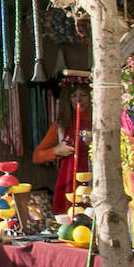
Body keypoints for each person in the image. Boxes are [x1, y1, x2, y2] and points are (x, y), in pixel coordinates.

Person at [33, 84, 91, 215]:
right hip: (68, 183)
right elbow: (36, 156)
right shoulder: (61, 125)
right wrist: (56, 151)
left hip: (95, 180)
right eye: (73, 96)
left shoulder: (101, 121)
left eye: (83, 95)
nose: (79, 100)